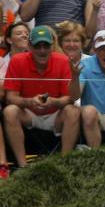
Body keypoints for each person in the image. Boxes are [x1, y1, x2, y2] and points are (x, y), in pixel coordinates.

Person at [2, 26, 81, 169]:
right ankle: (23, 166)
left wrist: (53, 102)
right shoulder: (17, 60)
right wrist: (29, 101)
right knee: (10, 111)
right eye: (38, 46)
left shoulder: (62, 60)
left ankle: (64, 165)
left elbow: (70, 98)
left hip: (54, 113)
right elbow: (10, 98)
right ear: (30, 46)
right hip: (29, 113)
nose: (42, 50)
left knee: (73, 111)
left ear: (52, 46)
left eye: (46, 45)